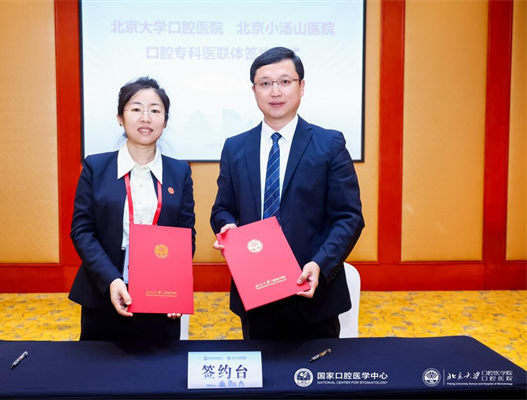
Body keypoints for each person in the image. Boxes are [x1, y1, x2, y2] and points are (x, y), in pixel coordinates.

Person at [211, 47, 364, 340]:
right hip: (255, 291)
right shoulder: (235, 147)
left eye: (285, 81)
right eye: (265, 83)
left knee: (319, 367)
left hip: (313, 292)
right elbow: (222, 208)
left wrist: (320, 264)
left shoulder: (329, 143)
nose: (275, 91)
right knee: (260, 367)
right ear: (254, 91)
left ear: (301, 86)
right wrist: (227, 226)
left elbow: (349, 217)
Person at [69, 77, 195, 341]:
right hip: (104, 286)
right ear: (120, 117)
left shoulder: (180, 172)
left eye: (155, 110)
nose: (145, 117)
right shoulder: (96, 167)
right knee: (101, 362)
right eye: (136, 109)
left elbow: (186, 234)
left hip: (160, 291)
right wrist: (111, 280)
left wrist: (174, 284)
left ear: (165, 121)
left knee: (159, 363)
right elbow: (82, 231)